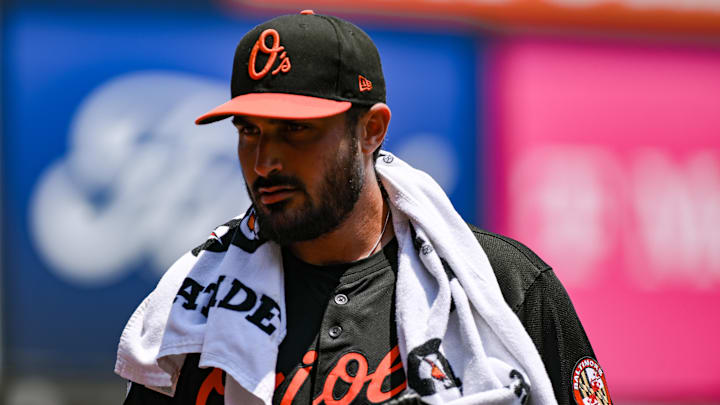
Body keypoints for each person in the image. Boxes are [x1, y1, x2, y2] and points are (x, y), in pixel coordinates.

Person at [115, 10, 611, 405]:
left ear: (371, 131)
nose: (265, 162)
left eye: (296, 130)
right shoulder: (196, 297)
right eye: (249, 130)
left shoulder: (505, 286)